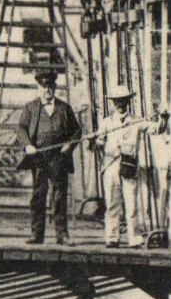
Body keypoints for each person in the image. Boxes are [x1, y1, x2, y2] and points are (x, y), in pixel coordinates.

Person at [17, 70, 81, 245]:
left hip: (58, 158)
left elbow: (76, 131)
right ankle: (36, 234)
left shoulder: (64, 108)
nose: (47, 90)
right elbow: (21, 129)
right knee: (38, 195)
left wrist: (69, 145)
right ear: (39, 88)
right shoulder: (30, 108)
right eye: (44, 86)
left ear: (55, 87)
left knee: (59, 196)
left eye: (50, 86)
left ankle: (62, 235)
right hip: (38, 158)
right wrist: (28, 145)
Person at [94, 84, 160, 247]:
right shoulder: (107, 123)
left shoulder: (136, 121)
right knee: (112, 204)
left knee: (131, 204)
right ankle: (112, 238)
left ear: (128, 102)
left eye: (123, 101)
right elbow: (99, 143)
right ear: (113, 103)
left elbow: (156, 129)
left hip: (129, 166)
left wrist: (163, 119)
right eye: (117, 101)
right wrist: (95, 142)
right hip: (111, 166)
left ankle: (134, 238)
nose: (120, 104)